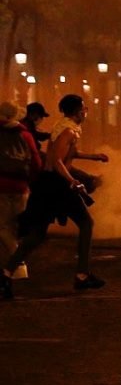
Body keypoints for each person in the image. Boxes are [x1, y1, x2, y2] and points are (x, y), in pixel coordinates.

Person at [1, 94, 107, 299]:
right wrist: (72, 181)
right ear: (77, 111)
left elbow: (68, 153)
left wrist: (95, 157)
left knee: (38, 234)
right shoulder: (68, 130)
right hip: (56, 185)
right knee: (86, 223)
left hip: (49, 184)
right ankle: (82, 275)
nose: (86, 111)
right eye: (84, 108)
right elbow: (57, 160)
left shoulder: (65, 127)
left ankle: (5, 274)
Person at [0, 101, 41, 284]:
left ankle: (17, 264)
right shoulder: (25, 134)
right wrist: (29, 181)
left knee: (3, 227)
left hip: (1, 187)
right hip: (21, 187)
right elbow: (36, 162)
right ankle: (15, 263)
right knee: (17, 227)